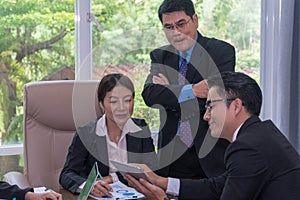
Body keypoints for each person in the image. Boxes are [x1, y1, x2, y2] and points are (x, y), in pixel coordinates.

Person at [126, 71, 300, 200]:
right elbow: (217, 187)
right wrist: (160, 181)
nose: (205, 116)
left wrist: (162, 199)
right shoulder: (260, 134)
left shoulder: (247, 148)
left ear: (236, 106)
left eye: (210, 106)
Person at [142, 0, 235, 179]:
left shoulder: (220, 52)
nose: (176, 33)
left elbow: (217, 97)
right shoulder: (160, 56)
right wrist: (191, 90)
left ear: (195, 20)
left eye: (181, 24)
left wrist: (169, 92)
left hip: (209, 154)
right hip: (171, 154)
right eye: (168, 27)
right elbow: (150, 96)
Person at [59, 73, 157, 198]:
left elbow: (152, 170)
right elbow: (67, 174)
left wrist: (112, 178)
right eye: (113, 101)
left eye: (127, 100)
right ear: (101, 104)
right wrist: (89, 186)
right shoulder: (86, 133)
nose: (122, 107)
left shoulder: (140, 129)